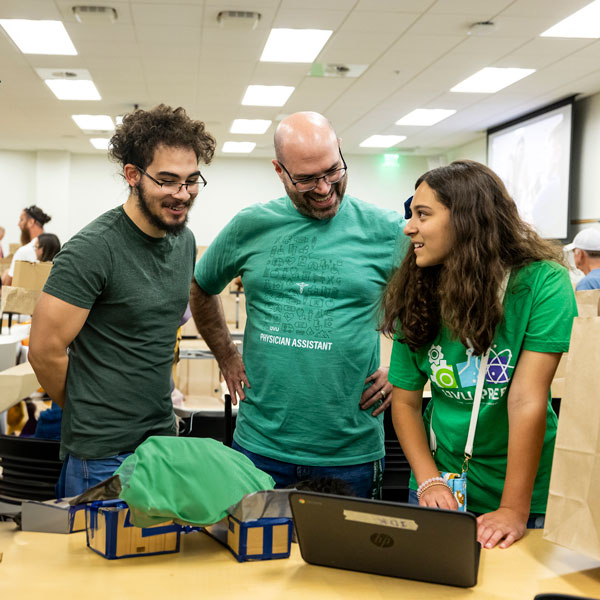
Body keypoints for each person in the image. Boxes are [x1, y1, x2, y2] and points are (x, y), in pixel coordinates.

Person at [190, 111, 408, 498]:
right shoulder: (250, 225)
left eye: (332, 171)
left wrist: (404, 369)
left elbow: (438, 303)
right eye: (306, 179)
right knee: (254, 557)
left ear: (340, 151)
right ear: (279, 170)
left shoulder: (388, 231)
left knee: (342, 558)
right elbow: (200, 285)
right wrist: (224, 353)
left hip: (350, 453)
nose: (324, 188)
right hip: (260, 447)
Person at [381, 160, 577, 549]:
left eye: (423, 215)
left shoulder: (541, 282)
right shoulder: (417, 287)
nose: (409, 227)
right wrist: (429, 480)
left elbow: (526, 399)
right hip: (440, 485)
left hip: (524, 492)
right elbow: (404, 401)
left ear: (467, 220)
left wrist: (514, 509)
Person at [28, 104, 216, 496]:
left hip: (160, 443)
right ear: (133, 175)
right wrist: (92, 410)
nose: (182, 194)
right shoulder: (93, 250)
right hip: (102, 457)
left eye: (191, 180)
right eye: (167, 181)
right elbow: (44, 351)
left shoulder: (183, 241)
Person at [1, 205, 51, 286]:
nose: (18, 224)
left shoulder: (24, 252)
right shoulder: (53, 246)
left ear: (31, 222)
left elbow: (8, 285)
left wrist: (7, 274)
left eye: (21, 220)